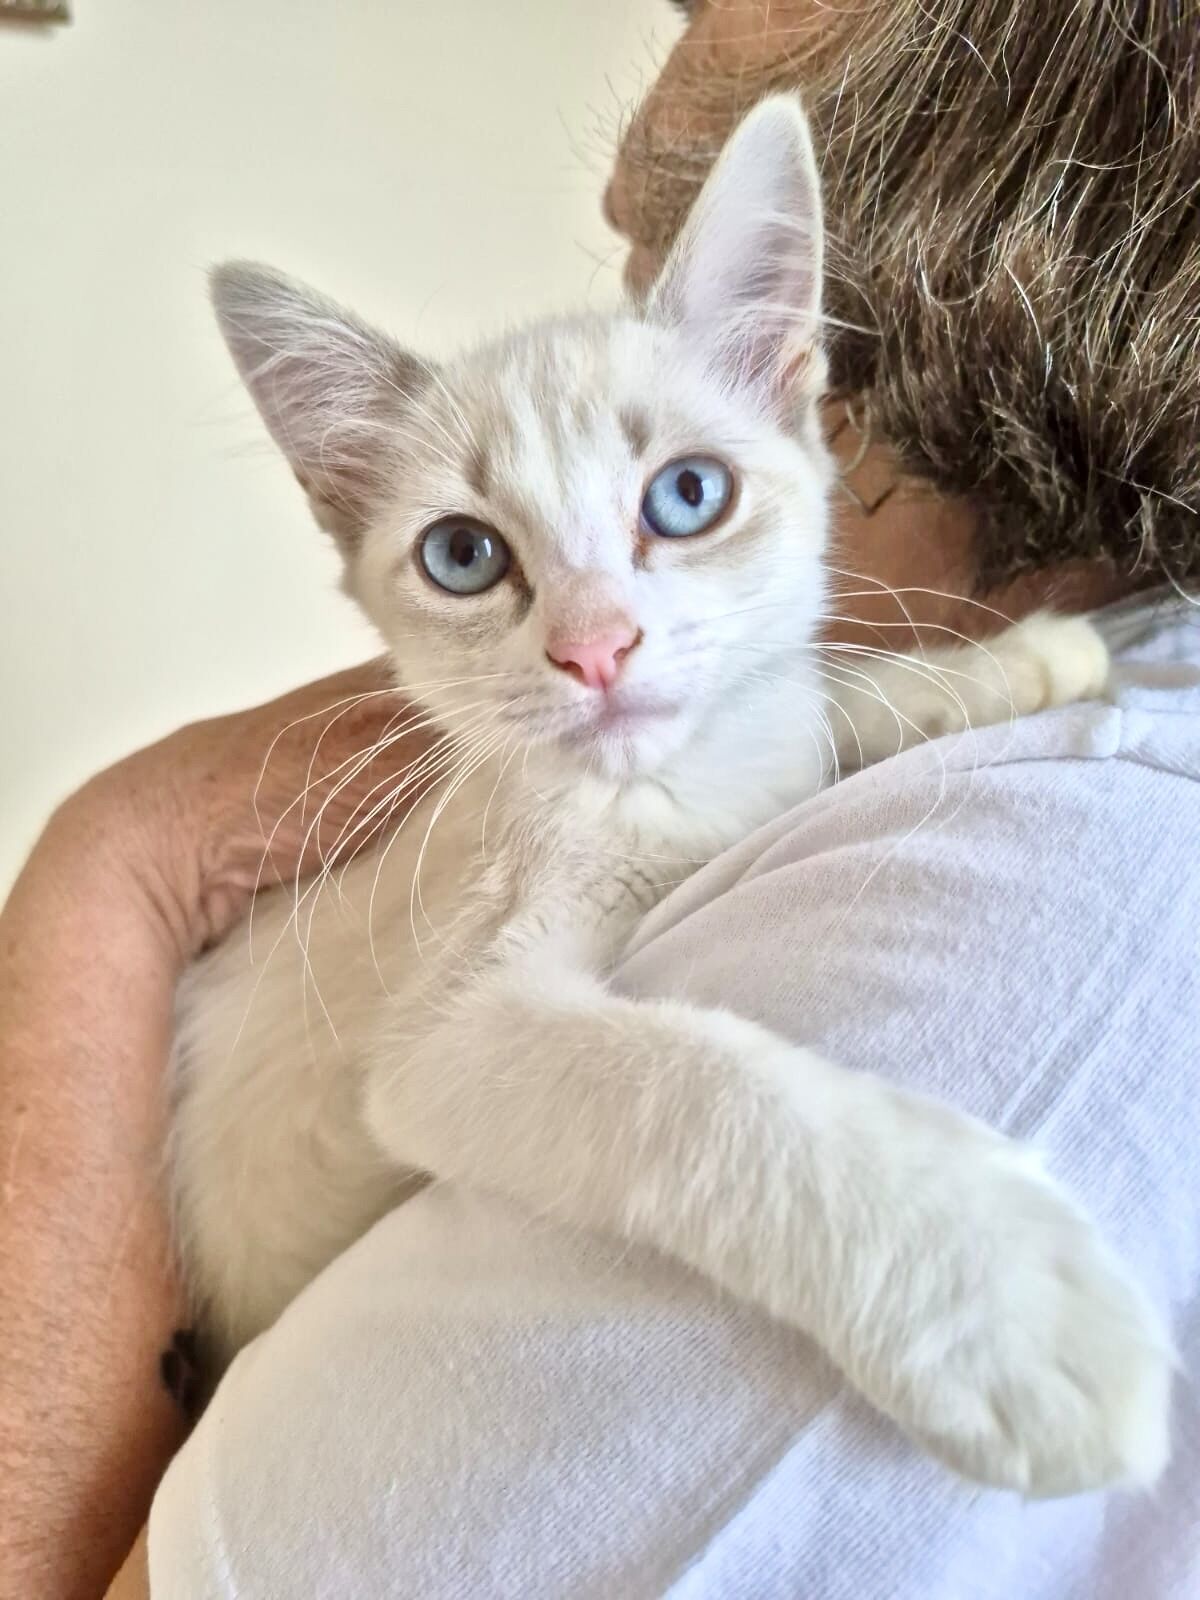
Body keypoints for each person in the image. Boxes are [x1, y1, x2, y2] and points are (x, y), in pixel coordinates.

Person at [2, 1, 1196, 1595]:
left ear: (789, 390)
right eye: (466, 555)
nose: (590, 640)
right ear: (351, 526)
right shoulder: (517, 800)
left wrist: (117, 857)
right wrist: (868, 1216)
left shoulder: (1084, 849)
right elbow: (456, 1066)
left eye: (681, 498)